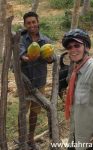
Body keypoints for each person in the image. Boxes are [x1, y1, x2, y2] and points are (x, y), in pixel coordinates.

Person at [19, 11, 55, 149]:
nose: (32, 25)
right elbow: (21, 54)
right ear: (25, 25)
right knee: (23, 111)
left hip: (40, 81)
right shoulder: (22, 39)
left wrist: (49, 58)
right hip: (24, 82)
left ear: (38, 22)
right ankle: (21, 138)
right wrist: (26, 57)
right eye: (28, 23)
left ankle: (30, 138)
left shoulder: (45, 40)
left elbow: (50, 58)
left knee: (35, 112)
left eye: (33, 22)